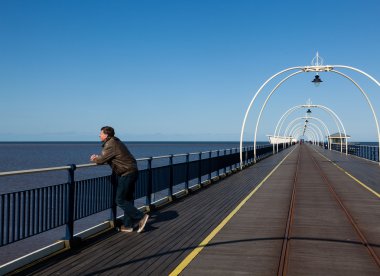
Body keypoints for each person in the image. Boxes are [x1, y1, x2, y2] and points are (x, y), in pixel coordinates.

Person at [90, 126, 149, 233]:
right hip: (132, 170)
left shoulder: (110, 144)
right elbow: (110, 157)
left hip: (126, 173)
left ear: (106, 135)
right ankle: (128, 225)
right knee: (128, 199)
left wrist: (95, 159)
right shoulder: (115, 142)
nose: (99, 135)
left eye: (101, 133)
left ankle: (140, 217)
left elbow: (102, 160)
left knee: (120, 200)